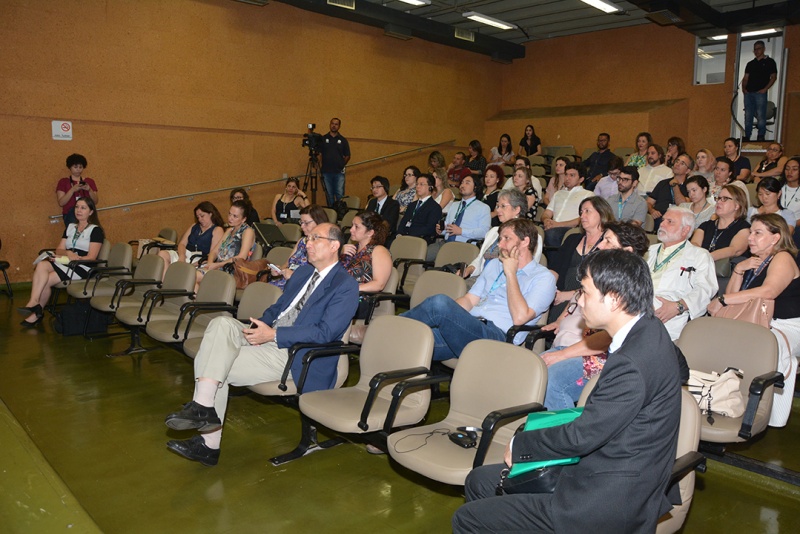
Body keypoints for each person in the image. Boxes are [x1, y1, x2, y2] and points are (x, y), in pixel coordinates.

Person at [452, 249, 682, 534]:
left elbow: (582, 436)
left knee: (467, 519)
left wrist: (522, 445)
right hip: (613, 463)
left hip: (607, 497)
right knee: (480, 481)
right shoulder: (649, 329)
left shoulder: (632, 363)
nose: (579, 300)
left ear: (614, 299)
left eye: (584, 292)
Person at [164, 223, 359, 466]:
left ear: (334, 245)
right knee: (222, 324)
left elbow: (325, 332)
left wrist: (274, 336)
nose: (306, 243)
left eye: (314, 238)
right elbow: (278, 309)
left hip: (296, 354)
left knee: (215, 365)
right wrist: (259, 327)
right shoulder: (302, 273)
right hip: (269, 337)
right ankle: (203, 407)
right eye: (307, 238)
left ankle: (208, 443)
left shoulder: (345, 285)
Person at [402, 219, 555, 361]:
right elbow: (469, 300)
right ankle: (388, 334)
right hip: (469, 327)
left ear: (525, 242)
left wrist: (511, 274)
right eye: (500, 239)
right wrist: (452, 317)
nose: (500, 245)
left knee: (439, 303)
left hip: (497, 338)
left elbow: (520, 318)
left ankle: (390, 326)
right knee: (409, 343)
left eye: (506, 239)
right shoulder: (495, 265)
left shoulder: (543, 278)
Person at [540, 222, 650, 411]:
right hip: (586, 350)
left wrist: (562, 354)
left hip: (612, 361)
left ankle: (566, 437)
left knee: (553, 381)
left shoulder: (630, 287)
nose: (599, 245)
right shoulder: (605, 278)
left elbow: (609, 337)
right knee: (534, 369)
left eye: (607, 241)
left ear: (627, 251)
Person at [707, 213, 798, 427]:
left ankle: (767, 413)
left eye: (758, 233)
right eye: (751, 232)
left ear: (775, 238)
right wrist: (738, 269)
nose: (750, 238)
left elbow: (769, 291)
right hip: (759, 322)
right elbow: (732, 299)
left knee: (764, 344)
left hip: (788, 324)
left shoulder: (782, 256)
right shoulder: (754, 261)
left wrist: (722, 298)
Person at [19, 198, 105, 326]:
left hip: (83, 266)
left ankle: (36, 312)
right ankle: (34, 302)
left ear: (91, 212)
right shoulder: (70, 227)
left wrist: (74, 258)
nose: (79, 210)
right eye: (77, 207)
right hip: (67, 261)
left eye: (83, 208)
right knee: (42, 264)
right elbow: (59, 249)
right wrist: (68, 254)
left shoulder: (95, 230)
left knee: (46, 280)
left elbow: (92, 257)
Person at [647, 206, 717, 340]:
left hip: (669, 317)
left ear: (685, 230)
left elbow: (705, 289)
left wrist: (679, 306)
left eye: (670, 222)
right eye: (663, 220)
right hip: (636, 309)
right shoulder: (649, 250)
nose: (662, 224)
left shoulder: (700, 255)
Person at [549, 196, 615, 318]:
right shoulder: (572, 239)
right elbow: (554, 269)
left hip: (589, 300)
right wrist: (550, 289)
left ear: (601, 213)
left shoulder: (609, 245)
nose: (582, 216)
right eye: (581, 212)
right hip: (560, 294)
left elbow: (604, 285)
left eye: (587, 211)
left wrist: (567, 296)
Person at [462, 189, 530, 285]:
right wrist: (470, 269)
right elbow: (480, 259)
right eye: (498, 206)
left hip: (503, 284)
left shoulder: (529, 236)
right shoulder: (493, 232)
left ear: (517, 210)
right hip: (480, 279)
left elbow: (526, 270)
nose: (497, 210)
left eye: (503, 206)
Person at [427, 175, 491, 261]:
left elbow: (484, 232)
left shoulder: (483, 208)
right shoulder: (454, 205)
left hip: (464, 246)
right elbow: (449, 227)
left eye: (467, 183)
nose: (462, 185)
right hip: (445, 243)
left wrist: (461, 231)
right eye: (461, 183)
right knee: (420, 255)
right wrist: (442, 230)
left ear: (475, 187)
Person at [268, 205, 329, 290]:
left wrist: (294, 276)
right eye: (301, 222)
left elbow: (318, 278)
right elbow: (286, 265)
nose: (302, 226)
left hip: (300, 288)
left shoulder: (325, 246)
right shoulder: (301, 241)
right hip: (286, 281)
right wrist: (278, 270)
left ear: (318, 222)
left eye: (306, 223)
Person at [196, 200, 255, 285]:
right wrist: (210, 263)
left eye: (235, 216)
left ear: (244, 219)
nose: (230, 218)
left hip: (232, 271)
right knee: (190, 277)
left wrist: (217, 265)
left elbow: (241, 257)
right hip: (218, 267)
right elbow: (214, 251)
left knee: (193, 278)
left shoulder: (247, 231)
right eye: (230, 214)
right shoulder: (229, 230)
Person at [158, 202, 225, 273]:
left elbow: (211, 256)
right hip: (185, 255)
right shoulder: (194, 226)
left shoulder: (217, 230)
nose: (200, 219)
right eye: (198, 217)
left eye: (202, 216)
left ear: (211, 214)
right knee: (162, 254)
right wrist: (182, 256)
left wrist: (192, 264)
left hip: (200, 260)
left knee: (185, 270)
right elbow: (182, 244)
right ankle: (164, 282)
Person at [691, 184, 751, 262]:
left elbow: (735, 250)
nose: (718, 202)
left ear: (737, 205)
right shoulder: (706, 225)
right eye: (718, 198)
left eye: (725, 199)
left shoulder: (744, 228)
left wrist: (706, 258)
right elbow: (694, 245)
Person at [541, 162, 594, 247]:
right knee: (532, 231)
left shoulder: (588, 195)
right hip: (552, 227)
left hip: (571, 230)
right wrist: (546, 220)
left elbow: (581, 219)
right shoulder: (558, 194)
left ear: (581, 179)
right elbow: (546, 213)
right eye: (566, 175)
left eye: (572, 175)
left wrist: (557, 225)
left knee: (552, 234)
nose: (567, 178)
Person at [340, 211, 392, 295]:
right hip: (341, 293)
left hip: (358, 296)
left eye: (356, 227)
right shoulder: (352, 248)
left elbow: (379, 284)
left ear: (370, 233)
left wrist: (348, 290)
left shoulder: (379, 251)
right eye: (352, 225)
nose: (351, 229)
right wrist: (338, 252)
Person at [742, 40, 778, 141]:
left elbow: (773, 77)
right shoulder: (750, 64)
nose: (756, 51)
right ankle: (747, 136)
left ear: (763, 49)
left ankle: (761, 135)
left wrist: (765, 89)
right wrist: (744, 89)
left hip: (760, 93)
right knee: (748, 115)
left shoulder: (770, 62)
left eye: (759, 49)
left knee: (761, 114)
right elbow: (745, 78)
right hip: (748, 93)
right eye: (755, 49)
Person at [647, 152, 693, 230]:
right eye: (677, 161)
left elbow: (682, 204)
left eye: (682, 163)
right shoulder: (662, 183)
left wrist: (675, 185)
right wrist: (652, 210)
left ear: (688, 171)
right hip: (658, 218)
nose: (677, 164)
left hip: (677, 221)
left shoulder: (690, 186)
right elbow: (648, 202)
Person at [396, 174, 442, 244]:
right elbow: (403, 222)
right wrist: (399, 234)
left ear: (430, 187)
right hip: (405, 238)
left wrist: (408, 235)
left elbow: (429, 229)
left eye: (421, 184)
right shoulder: (412, 205)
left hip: (420, 241)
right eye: (417, 184)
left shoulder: (435, 207)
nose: (418, 187)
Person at [56, 153, 99, 227]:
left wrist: (89, 190)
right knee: (75, 235)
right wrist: (72, 190)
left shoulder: (89, 181)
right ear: (70, 167)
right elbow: (61, 203)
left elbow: (95, 201)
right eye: (75, 167)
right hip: (71, 214)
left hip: (88, 213)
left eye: (80, 167)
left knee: (91, 235)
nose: (78, 170)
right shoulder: (63, 182)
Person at [319, 117, 351, 206]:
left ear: (339, 126)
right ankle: (331, 213)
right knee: (329, 195)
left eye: (336, 124)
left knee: (340, 194)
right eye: (332, 123)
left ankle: (339, 214)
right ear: (330, 125)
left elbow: (348, 155)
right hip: (326, 172)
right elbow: (320, 154)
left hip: (339, 172)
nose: (334, 125)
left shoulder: (343, 140)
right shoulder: (323, 139)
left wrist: (341, 164)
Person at [365, 176, 400, 240]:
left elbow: (389, 224)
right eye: (373, 187)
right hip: (371, 234)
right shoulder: (372, 202)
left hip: (385, 236)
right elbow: (366, 218)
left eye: (378, 187)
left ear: (385, 187)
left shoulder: (393, 204)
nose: (374, 190)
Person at [781, 157, 800, 224]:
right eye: (787, 169)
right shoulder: (778, 187)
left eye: (794, 169)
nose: (790, 172)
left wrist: (790, 225)